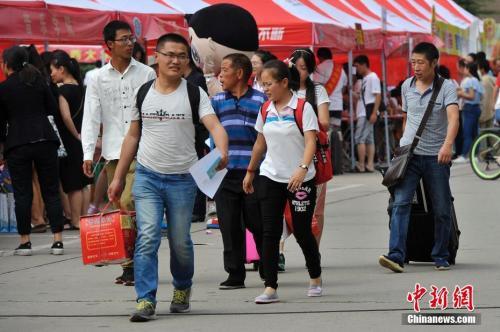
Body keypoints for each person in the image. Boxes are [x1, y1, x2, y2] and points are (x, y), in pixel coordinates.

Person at [107, 33, 228, 322]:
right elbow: (132, 136)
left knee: (179, 242)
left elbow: (215, 126)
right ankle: (145, 300)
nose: (175, 60)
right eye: (169, 55)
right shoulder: (143, 92)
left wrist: (222, 149)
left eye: (181, 56)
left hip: (183, 180)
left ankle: (182, 287)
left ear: (187, 60)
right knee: (147, 236)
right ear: (157, 57)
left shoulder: (194, 93)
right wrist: (119, 177)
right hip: (147, 176)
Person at [81, 20, 156, 285]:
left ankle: (137, 261)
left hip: (144, 150)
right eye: (123, 39)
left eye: (131, 39)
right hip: (113, 152)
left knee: (129, 202)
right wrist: (88, 153)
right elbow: (91, 116)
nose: (129, 43)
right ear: (109, 45)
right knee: (121, 206)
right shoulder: (97, 78)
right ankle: (130, 262)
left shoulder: (147, 74)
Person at [243, 59, 322, 304]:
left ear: (284, 82)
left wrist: (302, 168)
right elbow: (260, 143)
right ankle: (270, 287)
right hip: (270, 176)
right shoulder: (266, 109)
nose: (264, 89)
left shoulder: (302, 107)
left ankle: (315, 277)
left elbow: (311, 141)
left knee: (301, 231)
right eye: (261, 84)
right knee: (270, 232)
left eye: (268, 84)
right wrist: (250, 171)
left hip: (301, 179)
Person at [379, 42, 459, 273]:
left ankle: (441, 254)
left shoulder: (446, 87)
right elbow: (408, 118)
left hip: (437, 157)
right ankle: (396, 255)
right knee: (401, 203)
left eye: (421, 62)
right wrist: (402, 144)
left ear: (434, 63)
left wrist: (447, 145)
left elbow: (453, 118)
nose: (416, 67)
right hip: (410, 156)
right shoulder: (406, 86)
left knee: (442, 207)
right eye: (413, 62)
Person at [0, 45, 65, 255]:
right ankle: (57, 240)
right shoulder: (38, 80)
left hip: (17, 143)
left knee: (22, 193)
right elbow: (52, 109)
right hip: (45, 138)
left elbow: (0, 123)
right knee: (51, 190)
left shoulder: (4, 88)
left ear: (7, 64)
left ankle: (25, 241)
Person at [212, 53, 266, 289]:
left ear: (240, 73)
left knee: (258, 223)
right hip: (225, 174)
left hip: (254, 173)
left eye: (224, 69)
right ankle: (235, 274)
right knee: (229, 225)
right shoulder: (217, 101)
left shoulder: (262, 101)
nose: (220, 75)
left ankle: (268, 264)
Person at [290, 48, 329, 247]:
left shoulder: (318, 90)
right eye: (295, 67)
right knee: (283, 205)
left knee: (315, 207)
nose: (299, 72)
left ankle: (315, 249)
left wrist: (304, 119)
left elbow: (325, 121)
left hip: (313, 153)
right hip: (287, 152)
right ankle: (278, 249)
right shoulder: (284, 88)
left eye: (304, 68)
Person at [49, 50, 92, 229]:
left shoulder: (64, 91)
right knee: (84, 183)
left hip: (70, 140)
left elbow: (66, 117)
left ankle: (76, 220)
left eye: (53, 70)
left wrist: (76, 136)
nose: (51, 74)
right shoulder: (81, 88)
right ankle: (84, 218)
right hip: (83, 139)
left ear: (62, 69)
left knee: (73, 184)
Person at [353, 55, 381, 172]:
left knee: (360, 138)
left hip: (367, 113)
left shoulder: (372, 77)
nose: (356, 69)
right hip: (365, 112)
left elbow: (378, 95)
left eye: (357, 66)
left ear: (364, 64)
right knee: (369, 139)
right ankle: (369, 164)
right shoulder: (366, 78)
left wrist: (374, 113)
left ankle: (361, 164)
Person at [455, 62, 484, 163]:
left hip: (469, 108)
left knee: (467, 133)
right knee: (474, 133)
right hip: (476, 108)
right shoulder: (476, 80)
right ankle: (475, 155)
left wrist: (460, 93)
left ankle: (464, 155)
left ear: (467, 69)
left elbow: (471, 96)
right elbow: (480, 96)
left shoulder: (468, 81)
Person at [313, 47, 347, 129]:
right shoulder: (341, 69)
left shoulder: (320, 67)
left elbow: (316, 86)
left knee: (323, 131)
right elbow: (344, 87)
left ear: (320, 57)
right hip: (338, 105)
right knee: (336, 131)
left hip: (323, 106)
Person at [478, 59, 496, 129]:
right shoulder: (493, 79)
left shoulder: (481, 80)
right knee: (492, 133)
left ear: (482, 69)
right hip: (492, 110)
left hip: (483, 111)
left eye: (478, 68)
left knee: (483, 135)